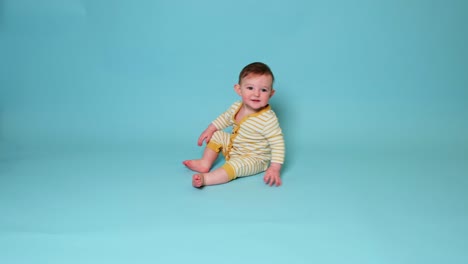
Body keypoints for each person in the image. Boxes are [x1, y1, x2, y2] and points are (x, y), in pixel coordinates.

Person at [183, 62, 285, 188]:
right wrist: (210, 129)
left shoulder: (268, 119)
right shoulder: (236, 106)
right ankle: (205, 163)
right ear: (239, 90)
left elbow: (277, 144)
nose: (256, 94)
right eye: (250, 88)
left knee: (235, 166)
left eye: (263, 90)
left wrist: (275, 168)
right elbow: (224, 119)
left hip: (253, 159)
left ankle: (207, 179)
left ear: (271, 93)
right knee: (217, 134)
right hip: (234, 148)